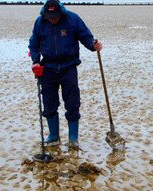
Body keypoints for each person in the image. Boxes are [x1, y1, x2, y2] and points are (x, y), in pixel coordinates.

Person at [29, 0, 102, 148]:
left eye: (55, 16)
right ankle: (54, 136)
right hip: (48, 67)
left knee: (72, 102)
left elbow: (86, 36)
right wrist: (36, 61)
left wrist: (93, 46)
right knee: (49, 102)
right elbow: (34, 44)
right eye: (50, 17)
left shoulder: (72, 18)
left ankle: (73, 138)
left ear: (61, 12)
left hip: (69, 66)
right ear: (45, 14)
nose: (53, 19)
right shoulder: (40, 22)